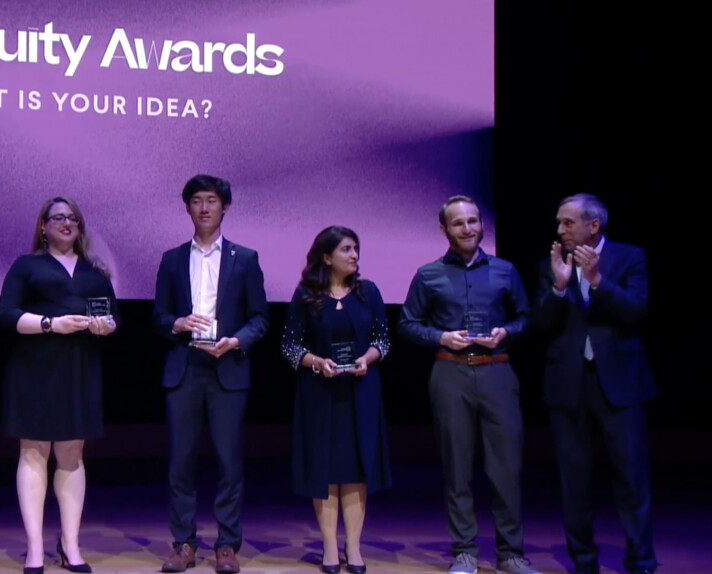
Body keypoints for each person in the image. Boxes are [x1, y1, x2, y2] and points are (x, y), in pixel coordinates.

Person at [397, 196, 539, 574]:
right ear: (444, 230)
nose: (468, 229)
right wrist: (442, 337)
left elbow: (526, 319)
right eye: (458, 223)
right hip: (450, 372)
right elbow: (407, 325)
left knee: (506, 467)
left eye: (473, 221)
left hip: (497, 370)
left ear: (482, 225)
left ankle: (510, 553)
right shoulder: (428, 274)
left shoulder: (505, 270)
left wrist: (507, 330)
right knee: (456, 465)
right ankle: (464, 551)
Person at [532, 194, 657, 574]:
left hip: (620, 385)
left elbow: (636, 311)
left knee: (631, 479)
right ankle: (584, 563)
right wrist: (558, 287)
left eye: (567, 223)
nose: (560, 230)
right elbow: (540, 326)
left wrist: (598, 282)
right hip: (568, 385)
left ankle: (641, 562)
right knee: (575, 481)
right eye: (559, 223)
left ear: (593, 226)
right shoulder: (551, 264)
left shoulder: (629, 257)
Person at [153, 174, 269, 574]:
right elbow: (158, 317)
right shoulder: (171, 259)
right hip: (184, 368)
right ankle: (183, 543)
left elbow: (259, 319)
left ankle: (226, 545)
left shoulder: (246, 259)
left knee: (228, 462)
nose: (204, 207)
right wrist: (177, 323)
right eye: (197, 201)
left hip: (227, 368)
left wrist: (236, 342)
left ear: (225, 207)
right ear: (187, 208)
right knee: (180, 462)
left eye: (212, 200)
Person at [0, 197, 118, 574]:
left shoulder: (95, 271)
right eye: (59, 218)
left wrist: (105, 326)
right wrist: (51, 324)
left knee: (72, 454)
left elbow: (112, 316)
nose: (67, 223)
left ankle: (71, 545)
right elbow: (6, 315)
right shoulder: (27, 265)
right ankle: (35, 549)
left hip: (79, 368)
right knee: (34, 452)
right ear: (43, 226)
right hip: (35, 368)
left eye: (74, 219)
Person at [281, 226, 391, 574]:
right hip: (320, 392)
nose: (355, 255)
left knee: (356, 467)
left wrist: (367, 359)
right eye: (346, 249)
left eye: (356, 249)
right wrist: (317, 362)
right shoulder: (305, 295)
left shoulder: (368, 292)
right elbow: (290, 346)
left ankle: (354, 548)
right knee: (324, 468)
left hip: (361, 390)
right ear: (327, 257)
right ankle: (330, 547)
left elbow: (383, 340)